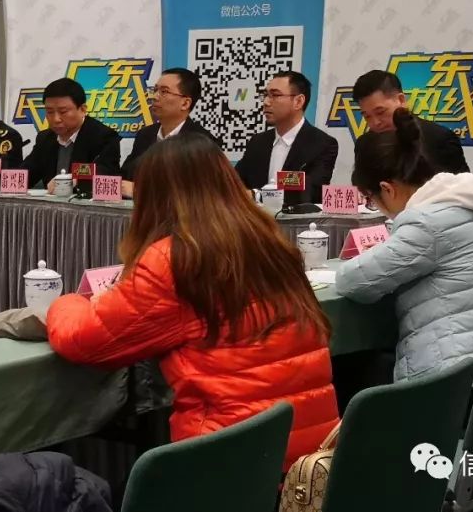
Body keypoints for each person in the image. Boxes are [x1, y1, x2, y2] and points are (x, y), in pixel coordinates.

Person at [47, 133, 338, 469]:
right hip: (311, 458)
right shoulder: (268, 239)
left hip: (229, 457)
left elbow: (86, 340)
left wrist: (65, 302)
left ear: (154, 197)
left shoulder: (175, 259)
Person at [336, 109, 473, 382]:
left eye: (370, 199)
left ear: (387, 189)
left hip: (465, 378)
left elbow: (353, 282)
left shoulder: (426, 223)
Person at [234, 70, 338, 205]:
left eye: (275, 95)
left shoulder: (322, 144)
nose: (266, 102)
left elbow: (311, 190)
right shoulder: (258, 142)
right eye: (265, 95)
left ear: (298, 101)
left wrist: (257, 195)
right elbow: (234, 181)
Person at [120, 68, 218, 197]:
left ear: (185, 103)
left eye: (164, 92)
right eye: (155, 90)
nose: (155, 97)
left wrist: (140, 191)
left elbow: (200, 194)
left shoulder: (203, 143)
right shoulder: (145, 135)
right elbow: (126, 176)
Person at [352, 70, 469, 174]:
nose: (375, 123)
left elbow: (464, 188)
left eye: (380, 112)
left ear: (401, 100)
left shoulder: (439, 139)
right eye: (367, 116)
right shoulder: (364, 145)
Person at [20, 77, 121, 191]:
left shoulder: (103, 137)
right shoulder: (45, 138)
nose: (56, 119)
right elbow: (25, 175)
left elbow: (106, 175)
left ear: (82, 109)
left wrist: (71, 180)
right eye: (50, 112)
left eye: (63, 112)